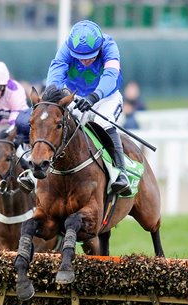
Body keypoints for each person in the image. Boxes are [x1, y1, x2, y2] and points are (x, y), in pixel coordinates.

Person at [44, 20, 131, 196]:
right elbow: (56, 72)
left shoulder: (109, 46)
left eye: (90, 56)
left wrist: (94, 97)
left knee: (102, 123)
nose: (85, 61)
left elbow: (110, 76)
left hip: (106, 97)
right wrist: (52, 94)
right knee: (57, 125)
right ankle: (39, 168)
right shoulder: (67, 47)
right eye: (81, 57)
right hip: (77, 98)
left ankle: (121, 173)